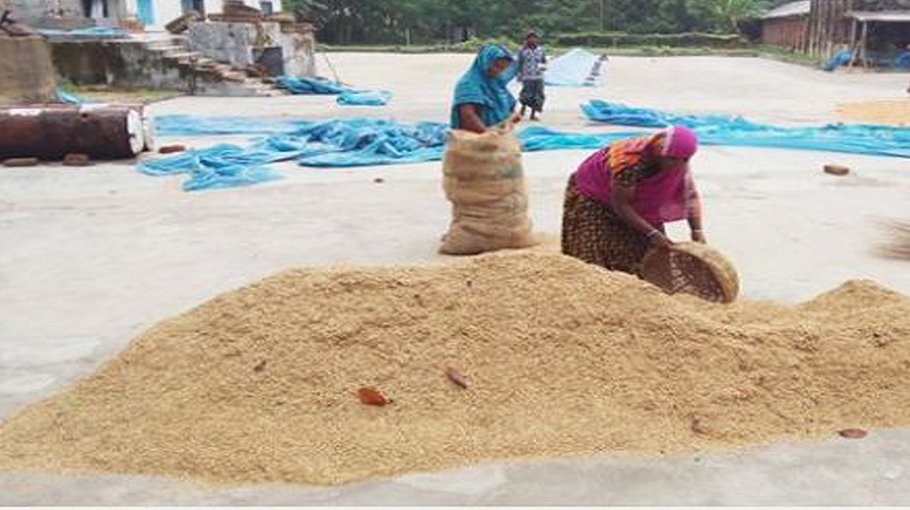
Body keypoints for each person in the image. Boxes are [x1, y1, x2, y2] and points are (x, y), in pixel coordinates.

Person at [561, 125, 705, 275]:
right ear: (660, 152)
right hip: (595, 193)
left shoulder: (678, 163)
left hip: (634, 199)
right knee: (594, 255)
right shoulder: (630, 162)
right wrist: (653, 233)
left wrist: (697, 231)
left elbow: (689, 196)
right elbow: (621, 206)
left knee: (645, 250)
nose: (679, 164)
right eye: (673, 159)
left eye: (685, 159)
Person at [450, 44, 518, 134]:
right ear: (485, 62)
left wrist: (511, 119)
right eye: (496, 66)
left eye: (502, 68)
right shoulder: (467, 84)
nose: (498, 71)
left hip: (497, 132)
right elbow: (468, 116)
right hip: (474, 135)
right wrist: (488, 134)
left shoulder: (496, 83)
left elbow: (509, 108)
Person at [516, 31, 547, 121]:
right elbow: (519, 63)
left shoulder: (541, 50)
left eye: (534, 38)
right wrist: (519, 74)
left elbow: (544, 61)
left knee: (538, 95)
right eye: (530, 38)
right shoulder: (522, 50)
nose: (532, 39)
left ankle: (533, 114)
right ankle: (523, 109)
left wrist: (544, 66)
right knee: (526, 95)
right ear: (527, 39)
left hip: (538, 76)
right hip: (527, 76)